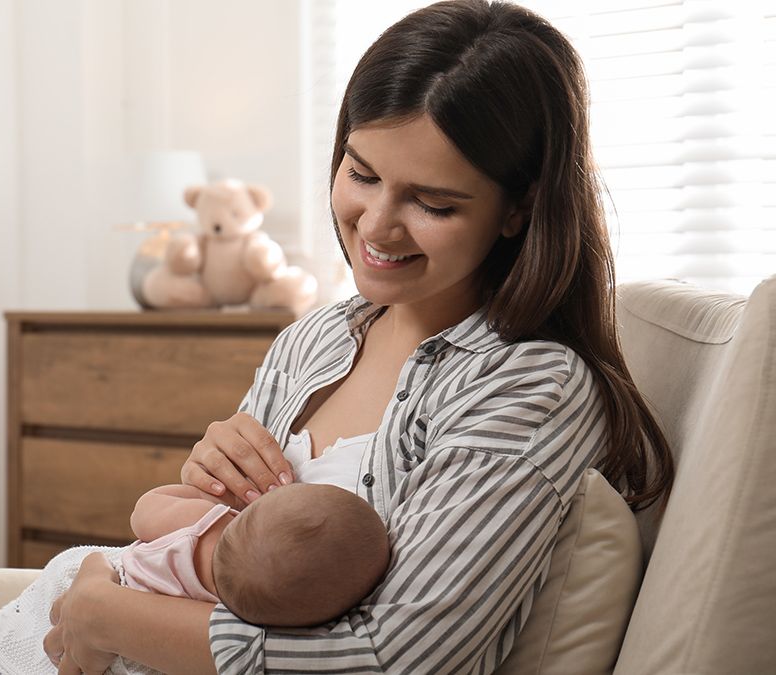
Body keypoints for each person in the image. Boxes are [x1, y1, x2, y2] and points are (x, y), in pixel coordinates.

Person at [44, 1, 676, 672]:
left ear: (519, 208)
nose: (375, 226)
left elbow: (388, 659)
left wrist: (108, 615)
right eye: (361, 174)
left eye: (432, 202)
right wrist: (205, 480)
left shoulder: (528, 387)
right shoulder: (315, 337)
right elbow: (215, 554)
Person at [122, 482, 389, 628]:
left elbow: (141, 513)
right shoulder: (247, 616)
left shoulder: (203, 523)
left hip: (112, 582)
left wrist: (209, 498)